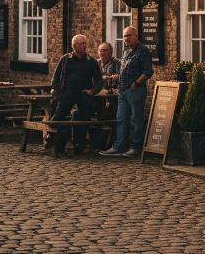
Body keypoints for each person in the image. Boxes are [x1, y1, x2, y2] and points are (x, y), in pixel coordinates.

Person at [100, 26, 153, 157]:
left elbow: (148, 71)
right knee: (121, 119)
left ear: (136, 36)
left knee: (136, 120)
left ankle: (135, 148)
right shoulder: (125, 50)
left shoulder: (143, 50)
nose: (126, 38)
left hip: (136, 90)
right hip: (123, 90)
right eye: (124, 36)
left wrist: (136, 83)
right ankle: (119, 147)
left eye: (129, 36)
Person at [48, 34, 103, 154]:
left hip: (83, 94)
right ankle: (53, 141)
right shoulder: (66, 59)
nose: (84, 46)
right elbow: (55, 79)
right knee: (58, 117)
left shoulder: (90, 61)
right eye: (81, 44)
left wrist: (92, 91)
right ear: (74, 46)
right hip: (67, 92)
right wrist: (57, 92)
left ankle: (79, 144)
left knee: (82, 118)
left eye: (85, 43)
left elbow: (99, 81)